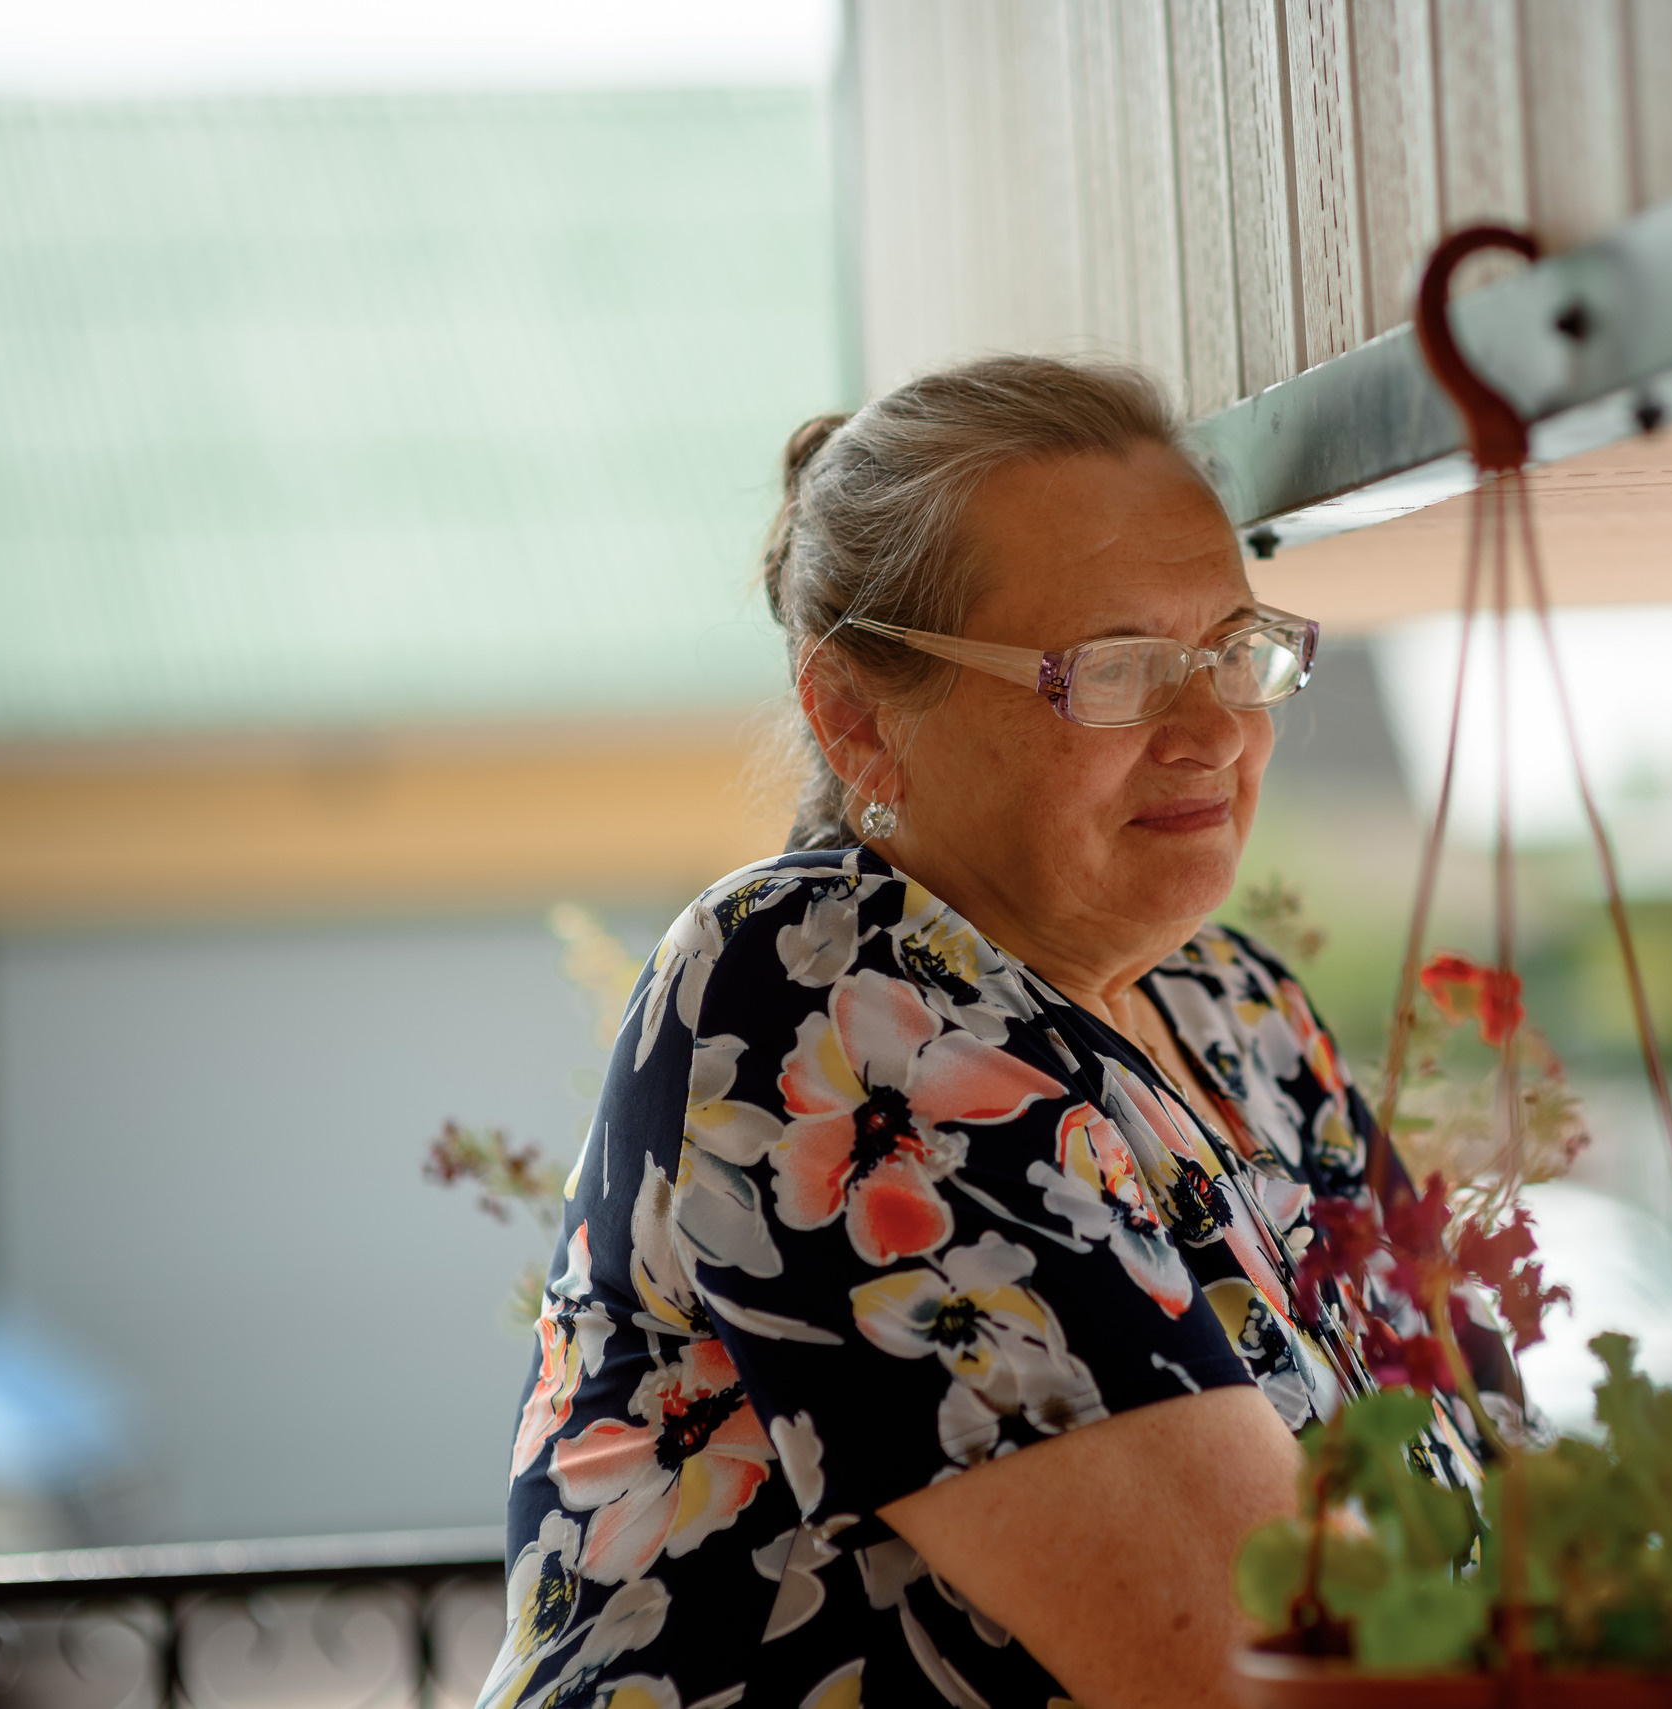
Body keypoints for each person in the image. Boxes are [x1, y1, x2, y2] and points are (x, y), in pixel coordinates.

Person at [480, 357, 1511, 1709]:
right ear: (856, 719)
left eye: (1234, 649)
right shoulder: (820, 986)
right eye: (1120, 669)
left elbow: (1522, 1485)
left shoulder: (1242, 1012)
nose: (1215, 727)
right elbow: (1256, 1665)